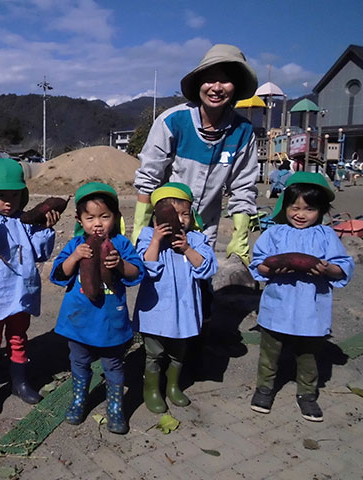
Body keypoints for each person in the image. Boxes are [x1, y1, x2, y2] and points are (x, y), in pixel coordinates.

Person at [132, 43, 259, 267]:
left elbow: (243, 186)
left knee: (200, 290)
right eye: (210, 79)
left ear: (236, 87)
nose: (217, 88)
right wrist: (140, 229)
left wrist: (240, 237)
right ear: (199, 83)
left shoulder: (243, 132)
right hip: (165, 225)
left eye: (225, 81)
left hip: (205, 229)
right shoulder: (172, 121)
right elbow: (148, 178)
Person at [248, 172, 354, 422]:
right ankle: (264, 389)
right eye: (294, 207)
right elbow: (259, 265)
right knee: (269, 354)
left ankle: (307, 395)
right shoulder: (274, 234)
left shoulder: (326, 236)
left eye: (309, 209)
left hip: (311, 311)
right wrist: (271, 268)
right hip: (277, 308)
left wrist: (327, 269)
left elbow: (342, 266)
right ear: (284, 207)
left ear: (321, 210)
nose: (300, 214)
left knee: (308, 358)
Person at [0, 158, 59, 417]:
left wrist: (46, 229)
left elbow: (40, 253)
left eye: (14, 195)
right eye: (1, 195)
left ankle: (19, 382)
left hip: (21, 293)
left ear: (23, 195)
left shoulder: (26, 221)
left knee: (18, 338)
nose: (8, 201)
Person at [50, 182, 144, 434]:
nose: (98, 223)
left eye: (105, 216)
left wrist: (120, 264)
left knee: (113, 364)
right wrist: (74, 257)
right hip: (79, 321)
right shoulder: (75, 244)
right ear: (79, 219)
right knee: (79, 361)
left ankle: (115, 406)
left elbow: (137, 272)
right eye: (90, 218)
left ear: (116, 217)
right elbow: (59, 274)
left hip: (111, 322)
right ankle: (79, 399)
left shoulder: (121, 244)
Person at [132, 183, 218, 413]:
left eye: (185, 214)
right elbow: (144, 267)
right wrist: (157, 240)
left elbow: (207, 268)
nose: (180, 220)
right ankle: (151, 389)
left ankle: (172, 386)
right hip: (156, 311)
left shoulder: (197, 239)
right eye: (173, 214)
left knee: (178, 352)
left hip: (185, 310)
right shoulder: (149, 236)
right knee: (155, 353)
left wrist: (188, 249)